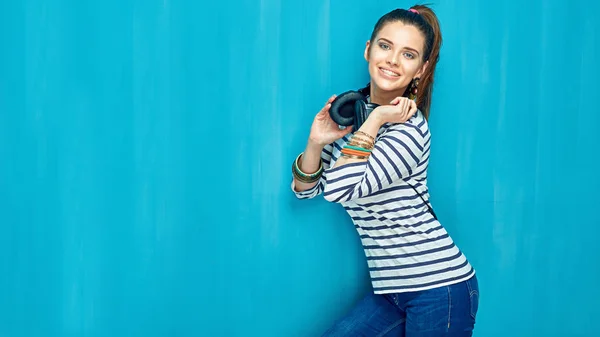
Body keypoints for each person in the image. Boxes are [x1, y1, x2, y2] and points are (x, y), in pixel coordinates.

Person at [290, 5, 479, 337]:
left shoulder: (410, 130)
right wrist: (316, 141)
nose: (392, 60)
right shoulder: (351, 115)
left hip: (439, 287)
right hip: (390, 290)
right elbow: (305, 190)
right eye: (385, 46)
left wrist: (377, 119)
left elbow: (339, 191)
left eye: (408, 54)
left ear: (421, 70)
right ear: (368, 49)